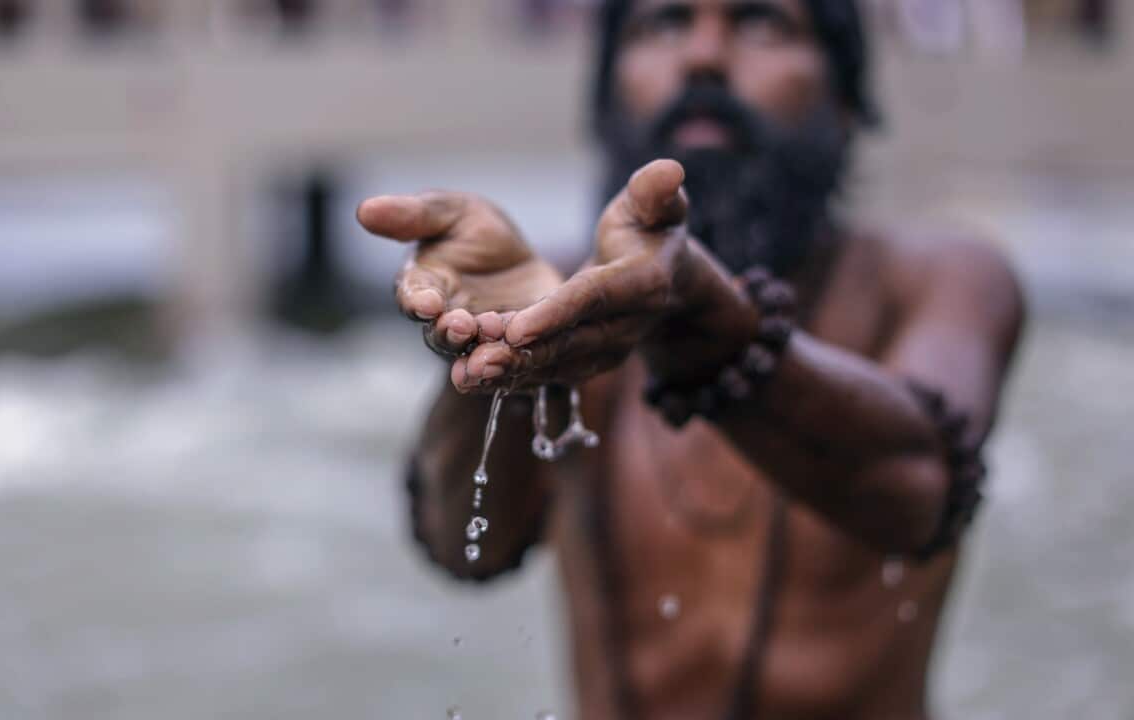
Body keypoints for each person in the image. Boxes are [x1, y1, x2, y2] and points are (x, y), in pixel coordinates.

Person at [356, 1, 1025, 717]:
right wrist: (502, 364)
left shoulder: (938, 280)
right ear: (609, 94)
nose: (703, 56)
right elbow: (467, 546)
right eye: (663, 22)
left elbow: (917, 488)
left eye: (764, 22)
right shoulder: (559, 303)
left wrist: (710, 327)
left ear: (845, 97)